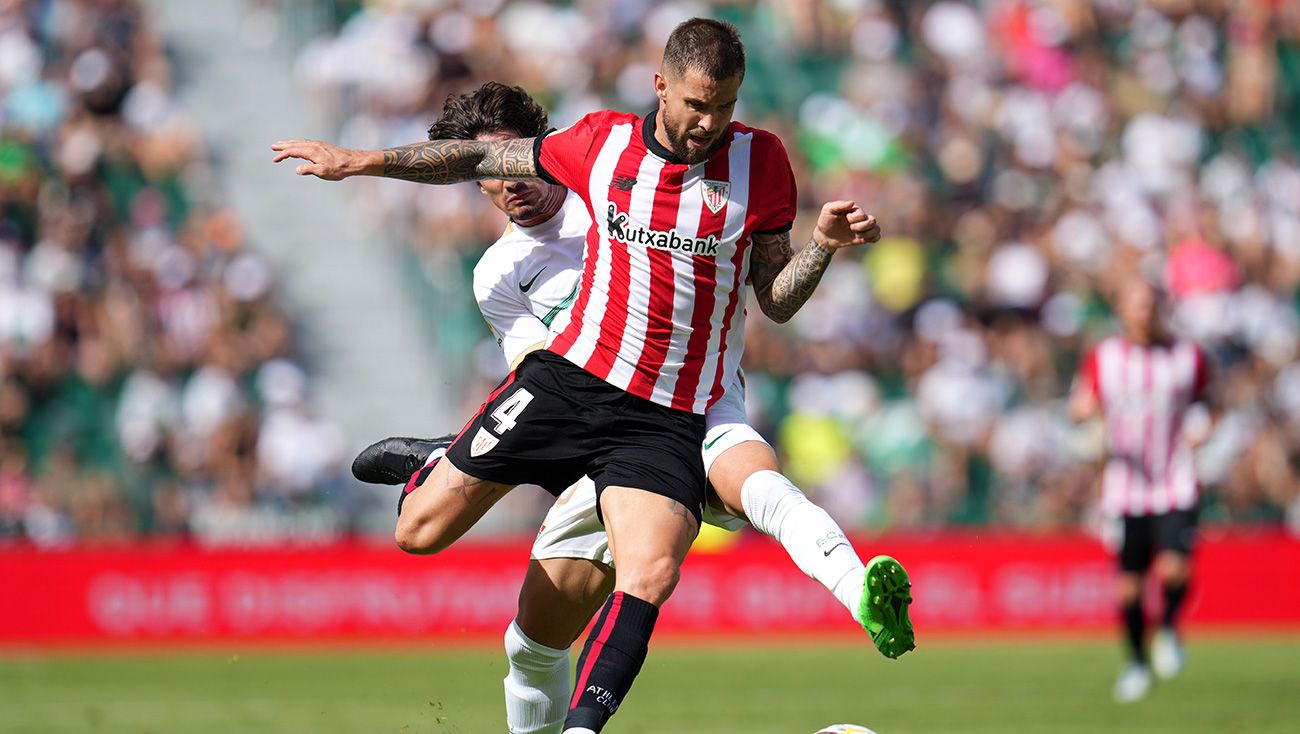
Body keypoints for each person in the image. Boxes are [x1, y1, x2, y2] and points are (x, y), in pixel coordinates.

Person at [273, 19, 909, 733]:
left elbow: (775, 299)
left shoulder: (751, 163)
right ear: (661, 85)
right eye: (696, 105)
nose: (707, 124)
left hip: (682, 409)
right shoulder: (574, 181)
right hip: (572, 392)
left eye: (723, 107)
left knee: (680, 551)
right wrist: (357, 161)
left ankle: (856, 593)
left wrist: (822, 247)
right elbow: (466, 161)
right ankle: (447, 458)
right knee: (461, 575)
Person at [1071, 276, 1212, 703]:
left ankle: (1168, 625)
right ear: (1123, 310)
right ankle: (1136, 663)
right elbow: (1083, 405)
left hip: (1174, 480)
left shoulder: (1188, 357)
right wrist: (1083, 419)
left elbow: (1210, 402)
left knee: (1174, 569)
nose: (1144, 313)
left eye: (1150, 305)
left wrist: (1204, 431)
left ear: (1160, 307)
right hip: (1125, 486)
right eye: (1136, 305)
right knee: (1129, 588)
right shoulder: (1105, 358)